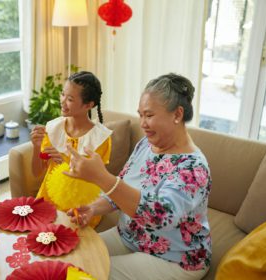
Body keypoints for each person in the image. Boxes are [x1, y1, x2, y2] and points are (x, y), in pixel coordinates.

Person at [66, 73, 212, 280]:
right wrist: (94, 208)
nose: (142, 123)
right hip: (130, 236)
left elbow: (159, 218)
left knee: (88, 272)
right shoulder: (147, 144)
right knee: (74, 256)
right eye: (140, 115)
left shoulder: (193, 168)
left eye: (149, 115)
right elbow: (123, 186)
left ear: (177, 115)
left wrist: (101, 177)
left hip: (175, 258)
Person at [31, 71, 112, 220]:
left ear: (88, 105)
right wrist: (36, 147)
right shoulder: (53, 128)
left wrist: (64, 164)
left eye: (69, 99)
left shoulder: (100, 139)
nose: (62, 101)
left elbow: (95, 182)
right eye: (62, 94)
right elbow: (36, 172)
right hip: (49, 199)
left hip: (79, 206)